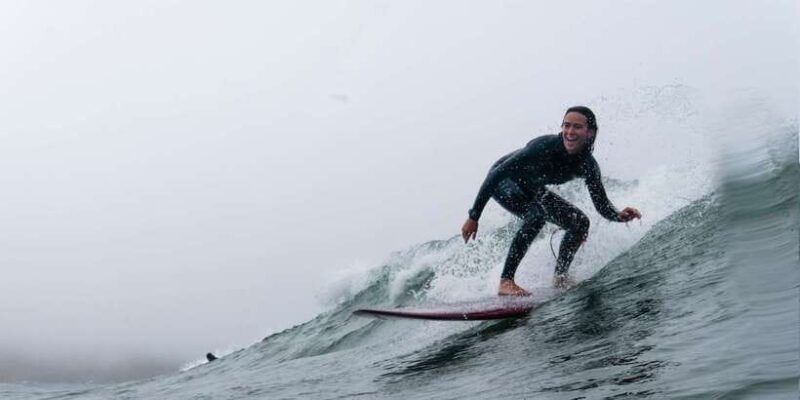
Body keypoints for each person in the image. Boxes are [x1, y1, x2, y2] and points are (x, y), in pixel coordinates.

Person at [461, 106, 641, 296]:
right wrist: (474, 216)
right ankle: (506, 282)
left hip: (531, 187)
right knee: (536, 216)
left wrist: (620, 216)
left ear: (590, 133)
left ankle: (560, 277)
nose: (570, 132)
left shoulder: (588, 166)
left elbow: (602, 205)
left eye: (577, 127)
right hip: (504, 180)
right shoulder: (543, 146)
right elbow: (497, 174)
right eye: (566, 125)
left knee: (580, 223)